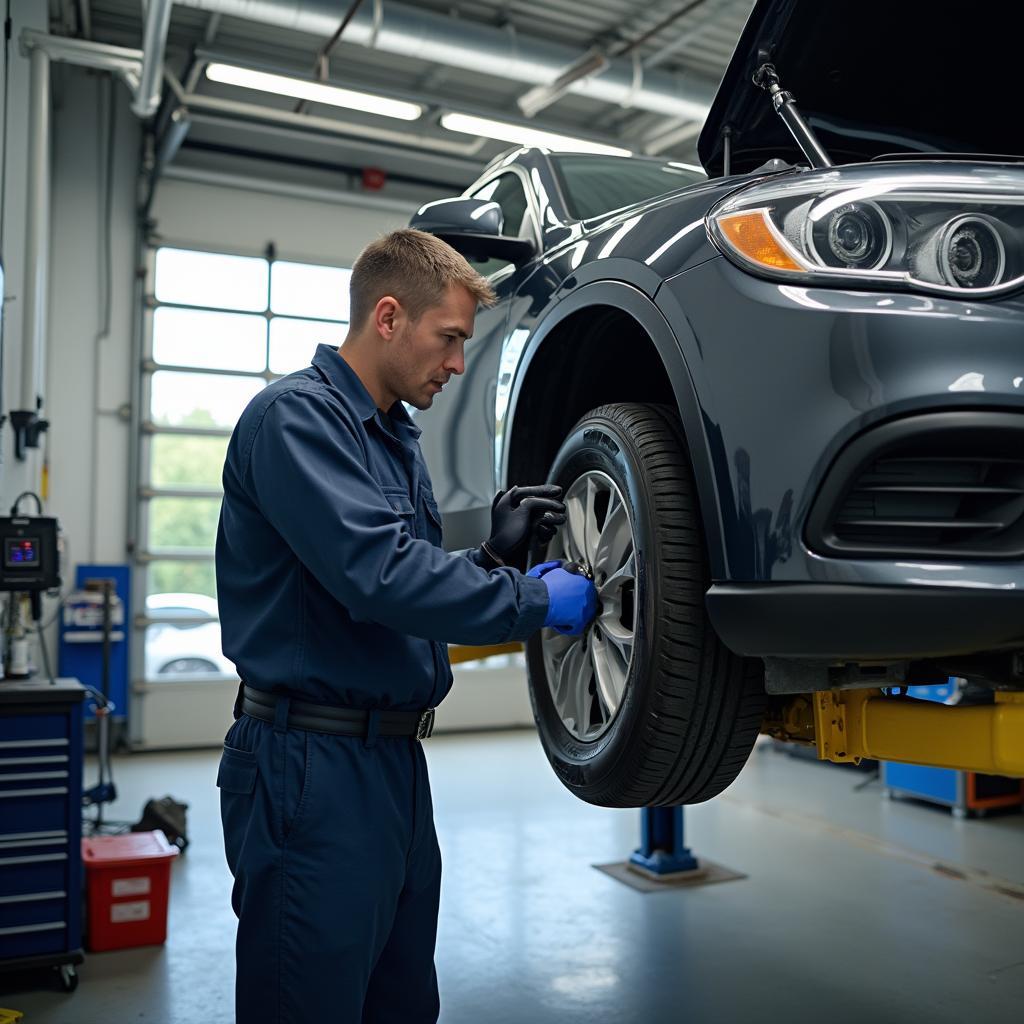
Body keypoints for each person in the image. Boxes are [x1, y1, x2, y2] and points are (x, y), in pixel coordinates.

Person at [214, 228, 598, 1023]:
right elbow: (381, 578)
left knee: (401, 1004)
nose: (458, 364)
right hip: (309, 768)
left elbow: (397, 599)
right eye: (450, 339)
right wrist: (534, 600)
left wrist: (492, 558)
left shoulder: (393, 436)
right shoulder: (296, 421)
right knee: (309, 1004)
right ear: (388, 317)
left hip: (392, 765)